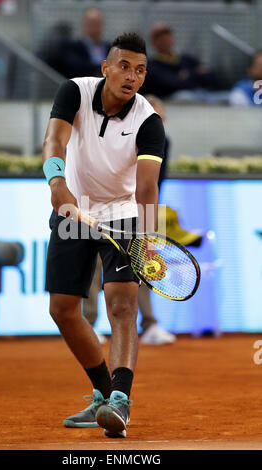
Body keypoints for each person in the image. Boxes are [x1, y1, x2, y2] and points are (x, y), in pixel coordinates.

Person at [42, 33, 165, 438]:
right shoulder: (73, 92)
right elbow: (54, 141)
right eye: (125, 66)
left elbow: (147, 188)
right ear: (106, 68)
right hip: (72, 207)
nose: (132, 76)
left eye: (141, 70)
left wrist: (151, 240)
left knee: (122, 306)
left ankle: (121, 401)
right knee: (61, 308)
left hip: (125, 213)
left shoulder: (148, 120)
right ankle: (102, 391)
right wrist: (59, 187)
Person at [83, 94, 176, 345]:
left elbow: (151, 185)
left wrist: (147, 220)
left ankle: (150, 326)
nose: (155, 125)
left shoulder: (162, 142)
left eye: (159, 119)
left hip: (138, 212)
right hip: (101, 211)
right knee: (94, 268)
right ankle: (88, 327)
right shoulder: (111, 138)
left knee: (146, 264)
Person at [144, 22, 220, 100]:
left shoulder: (186, 58)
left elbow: (211, 76)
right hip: (177, 101)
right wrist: (195, 74)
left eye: (167, 36)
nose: (165, 40)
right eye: (160, 38)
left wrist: (187, 75)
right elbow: (168, 85)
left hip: (203, 94)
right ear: (153, 42)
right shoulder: (151, 65)